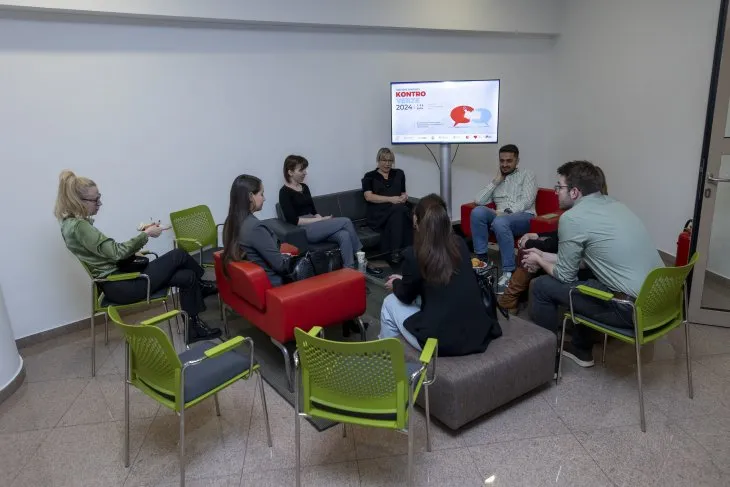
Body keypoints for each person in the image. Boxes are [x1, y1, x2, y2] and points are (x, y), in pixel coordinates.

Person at [54, 170, 221, 343]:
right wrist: (146, 234)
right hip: (123, 285)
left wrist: (134, 249)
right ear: (79, 201)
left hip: (117, 282)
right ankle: (203, 287)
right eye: (95, 199)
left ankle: (194, 329)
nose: (100, 203)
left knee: (187, 277)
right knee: (178, 254)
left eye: (99, 197)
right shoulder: (80, 227)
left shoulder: (69, 225)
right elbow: (117, 252)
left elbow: (106, 254)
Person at [525, 161, 664, 368]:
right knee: (589, 278)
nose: (556, 192)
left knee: (541, 287)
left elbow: (565, 275)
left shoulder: (573, 218)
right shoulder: (616, 205)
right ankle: (580, 349)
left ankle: (546, 363)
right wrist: (544, 254)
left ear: (574, 192)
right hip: (661, 301)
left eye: (559, 187)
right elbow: (591, 261)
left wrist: (538, 261)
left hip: (631, 310)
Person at [378, 194, 501, 356]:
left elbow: (406, 296)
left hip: (442, 343)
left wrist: (396, 284)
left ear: (417, 222)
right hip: (477, 334)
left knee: (389, 302)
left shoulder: (414, 254)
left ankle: (388, 358)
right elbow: (440, 279)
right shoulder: (459, 244)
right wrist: (405, 279)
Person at [497, 166, 608, 313]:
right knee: (535, 252)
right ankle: (513, 298)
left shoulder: (580, 217)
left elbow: (558, 246)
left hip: (592, 275)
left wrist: (531, 245)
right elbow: (559, 236)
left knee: (535, 256)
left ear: (577, 190)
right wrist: (537, 235)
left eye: (559, 187)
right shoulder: (600, 208)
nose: (556, 192)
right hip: (587, 265)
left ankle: (509, 299)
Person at [279, 155, 382, 276]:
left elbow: (313, 210)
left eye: (305, 169)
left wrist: (319, 218)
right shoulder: (284, 192)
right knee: (346, 221)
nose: (305, 173)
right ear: (290, 172)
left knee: (344, 235)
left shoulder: (304, 187)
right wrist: (320, 220)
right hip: (304, 230)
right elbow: (294, 221)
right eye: (301, 170)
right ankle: (363, 260)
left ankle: (349, 272)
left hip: (316, 224)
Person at [470, 144, 537, 294]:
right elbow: (479, 200)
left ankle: (509, 271)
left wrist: (507, 213)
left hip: (523, 216)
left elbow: (527, 200)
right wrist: (496, 181)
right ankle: (482, 261)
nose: (505, 164)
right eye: (502, 161)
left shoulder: (527, 174)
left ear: (517, 161)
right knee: (477, 212)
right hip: (499, 216)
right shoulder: (498, 179)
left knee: (500, 221)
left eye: (509, 161)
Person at [222, 174, 290, 287]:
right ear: (250, 196)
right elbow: (281, 266)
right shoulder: (255, 228)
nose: (264, 198)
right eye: (261, 194)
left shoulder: (230, 221)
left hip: (249, 285)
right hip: (274, 283)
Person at [362, 148, 414, 264]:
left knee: (402, 211)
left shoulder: (399, 173)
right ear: (378, 160)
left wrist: (404, 197)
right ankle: (400, 251)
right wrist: (392, 199)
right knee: (401, 211)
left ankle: (398, 252)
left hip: (396, 210)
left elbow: (403, 193)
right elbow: (368, 197)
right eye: (384, 160)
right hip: (378, 214)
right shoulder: (369, 176)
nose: (387, 164)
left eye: (390, 161)